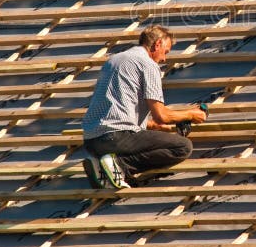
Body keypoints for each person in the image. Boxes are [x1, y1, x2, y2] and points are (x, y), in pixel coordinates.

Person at [81, 25, 207, 188]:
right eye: (166, 51)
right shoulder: (147, 64)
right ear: (158, 44)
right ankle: (120, 165)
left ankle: (101, 165)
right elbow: (161, 115)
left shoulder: (113, 60)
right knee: (182, 147)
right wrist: (191, 114)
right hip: (116, 138)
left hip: (92, 141)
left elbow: (119, 109)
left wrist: (156, 128)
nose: (164, 59)